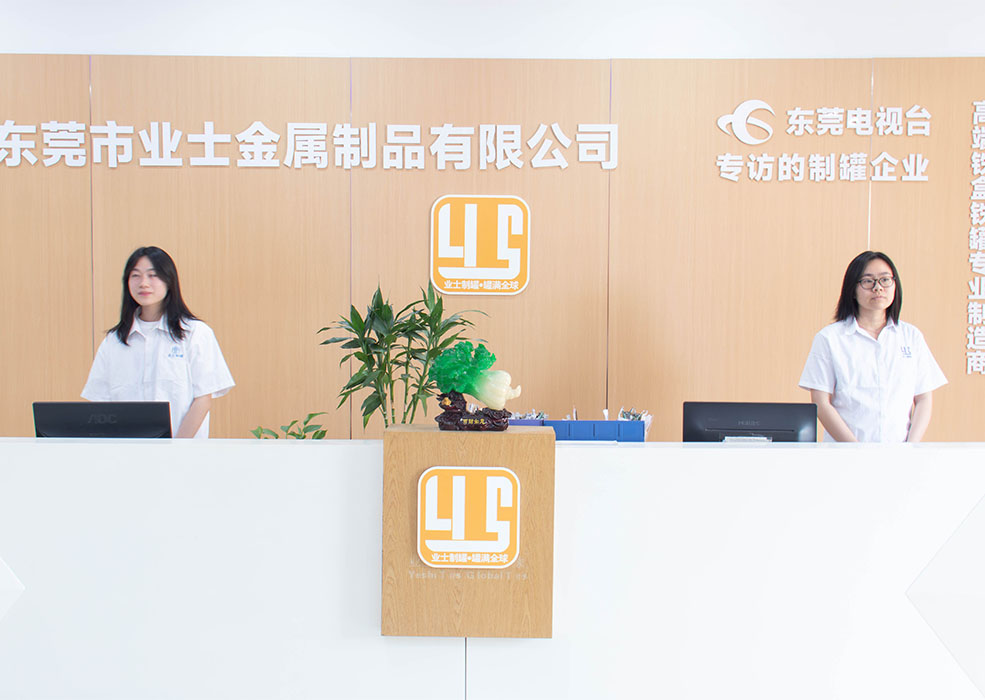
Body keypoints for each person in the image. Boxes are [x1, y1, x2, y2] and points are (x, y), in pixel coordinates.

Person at [82, 246, 234, 438]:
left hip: (182, 451)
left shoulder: (195, 333)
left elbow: (202, 400)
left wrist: (175, 448)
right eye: (135, 276)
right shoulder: (114, 341)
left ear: (169, 280)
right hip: (125, 452)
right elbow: (101, 405)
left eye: (153, 275)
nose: (143, 283)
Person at [799, 251, 946, 442]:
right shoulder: (829, 338)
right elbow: (820, 402)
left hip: (900, 453)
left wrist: (910, 447)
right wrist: (856, 450)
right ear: (852, 289)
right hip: (846, 453)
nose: (878, 288)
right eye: (868, 281)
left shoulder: (911, 336)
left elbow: (924, 398)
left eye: (885, 280)